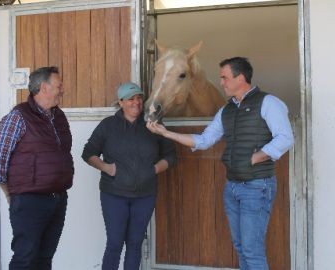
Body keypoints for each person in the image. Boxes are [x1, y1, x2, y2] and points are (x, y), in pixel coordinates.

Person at [146, 57, 294, 270]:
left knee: (251, 249)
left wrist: (257, 156)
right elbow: (204, 141)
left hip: (257, 185)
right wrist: (165, 132)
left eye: (224, 78)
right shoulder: (227, 110)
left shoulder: (269, 102)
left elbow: (285, 137)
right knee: (241, 246)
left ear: (240, 78)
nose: (221, 82)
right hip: (232, 187)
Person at [82, 82, 177, 270]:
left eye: (139, 98)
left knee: (135, 244)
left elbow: (171, 156)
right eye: (131, 99)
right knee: (115, 243)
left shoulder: (153, 125)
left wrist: (154, 170)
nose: (137, 102)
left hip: (145, 195)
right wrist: (108, 168)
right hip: (114, 194)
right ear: (121, 102)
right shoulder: (108, 125)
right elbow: (88, 152)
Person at [0, 66, 74, 270]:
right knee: (25, 258)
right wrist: (10, 194)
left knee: (45, 259)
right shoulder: (18, 116)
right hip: (29, 200)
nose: (62, 90)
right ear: (44, 87)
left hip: (58, 198)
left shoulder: (58, 116)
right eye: (59, 85)